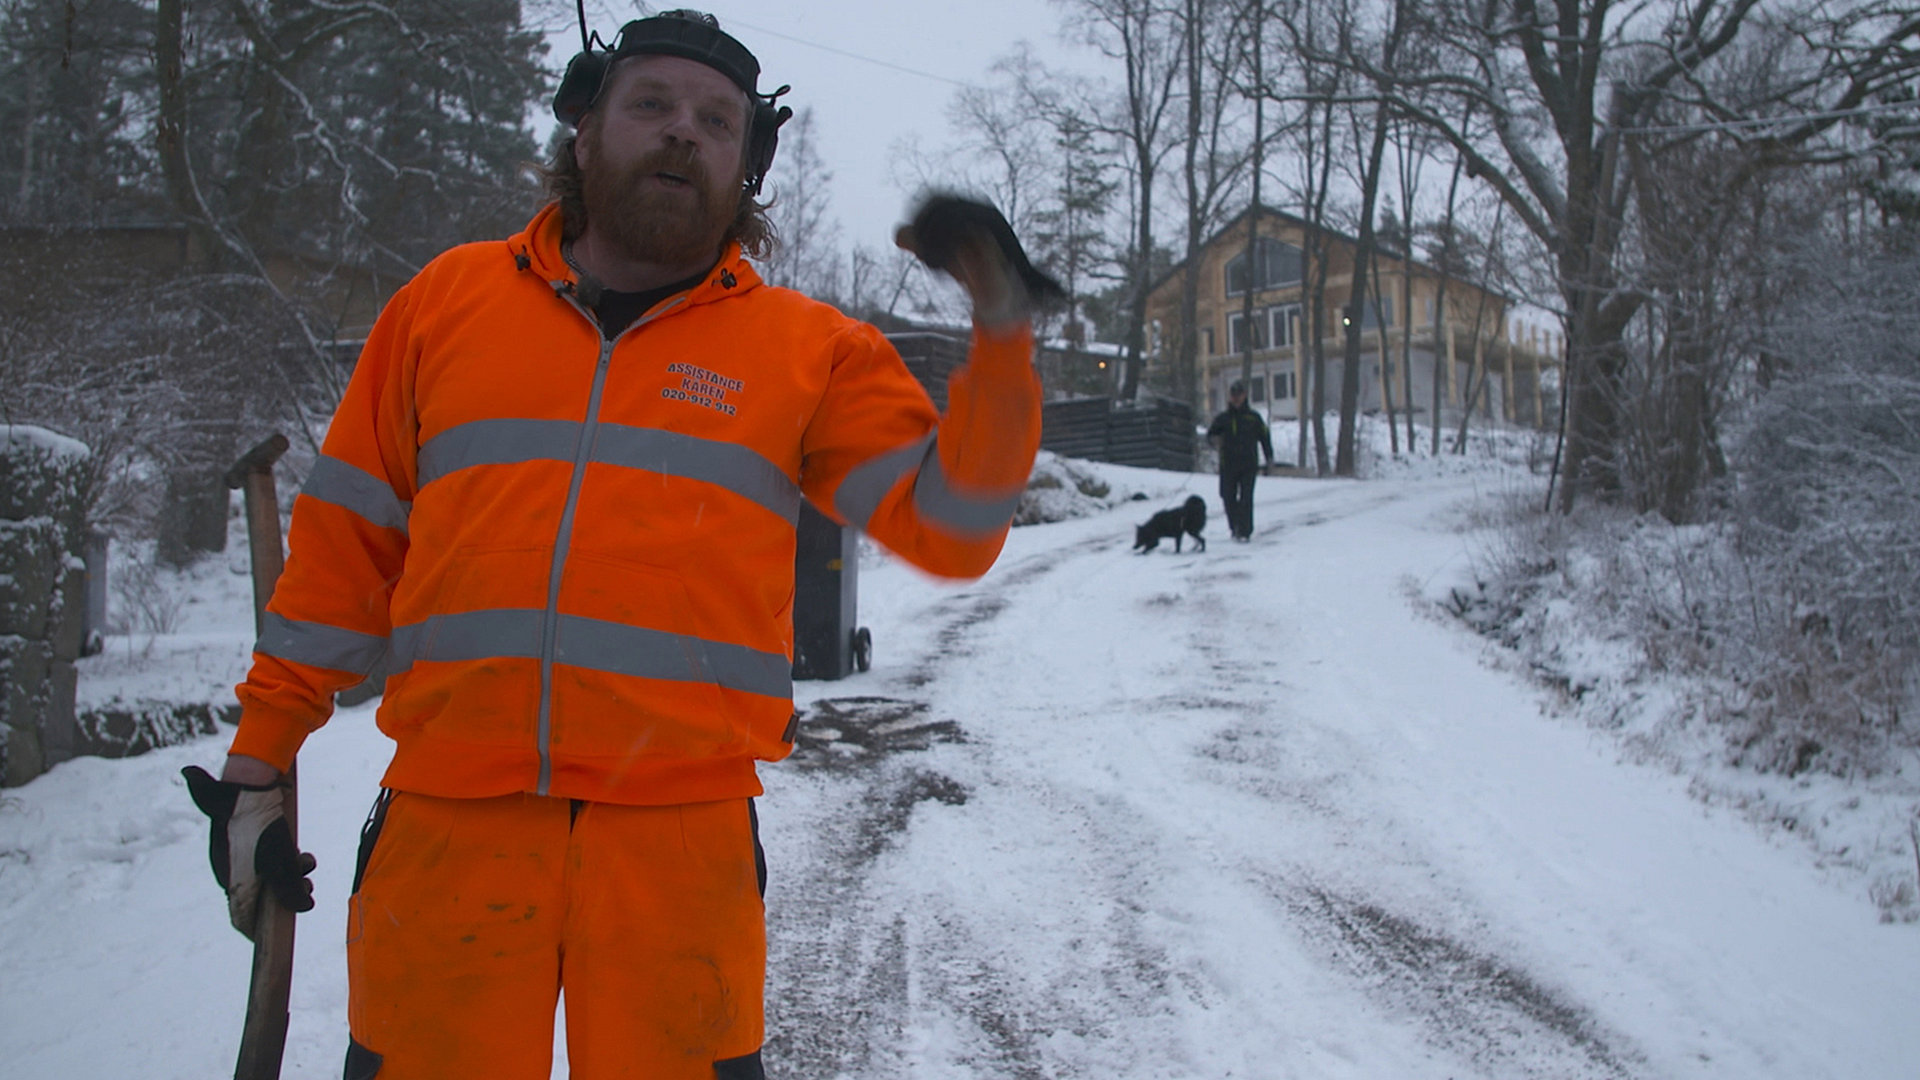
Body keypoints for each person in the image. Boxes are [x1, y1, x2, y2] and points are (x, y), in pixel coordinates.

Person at [181, 11, 1045, 1079]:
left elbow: (957, 531)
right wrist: (258, 767)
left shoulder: (809, 354)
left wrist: (1004, 337)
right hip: (450, 828)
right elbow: (342, 558)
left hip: (680, 849)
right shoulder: (442, 308)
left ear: (748, 166)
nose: (683, 133)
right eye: (651, 105)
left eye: (716, 122)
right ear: (583, 132)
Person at [1207, 379, 1274, 541]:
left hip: (1248, 464)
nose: (1236, 398)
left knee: (1246, 498)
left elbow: (1264, 437)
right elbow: (1210, 436)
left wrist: (1269, 458)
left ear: (1244, 396)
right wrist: (1215, 441)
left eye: (1239, 395)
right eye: (1233, 395)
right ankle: (1235, 526)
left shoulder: (1253, 418)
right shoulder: (1223, 418)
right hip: (1228, 465)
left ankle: (1244, 531)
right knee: (1227, 496)